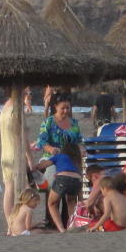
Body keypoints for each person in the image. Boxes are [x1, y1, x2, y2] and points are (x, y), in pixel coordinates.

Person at [35, 94, 83, 229]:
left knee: (72, 191)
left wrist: (80, 149)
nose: (66, 111)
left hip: (70, 158)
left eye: (68, 108)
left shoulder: (74, 123)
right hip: (51, 158)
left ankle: (70, 223)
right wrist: (50, 149)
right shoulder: (48, 122)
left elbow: (79, 141)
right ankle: (52, 221)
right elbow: (41, 142)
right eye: (63, 108)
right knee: (52, 183)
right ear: (55, 107)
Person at [36, 143, 83, 233]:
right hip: (77, 181)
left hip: (63, 179)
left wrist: (34, 168)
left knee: (51, 203)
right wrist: (81, 197)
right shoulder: (76, 160)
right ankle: (72, 226)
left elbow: (42, 165)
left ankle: (61, 229)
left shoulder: (59, 156)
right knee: (71, 202)